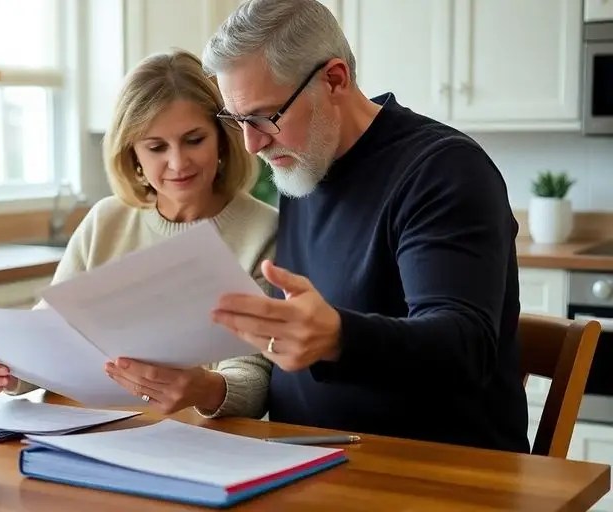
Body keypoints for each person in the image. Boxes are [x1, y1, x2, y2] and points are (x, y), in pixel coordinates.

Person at [202, 0, 529, 452]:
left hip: (434, 474)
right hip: (302, 464)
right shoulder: (304, 162)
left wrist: (338, 337)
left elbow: (463, 347)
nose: (252, 143)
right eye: (238, 120)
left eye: (265, 117)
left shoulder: (443, 171)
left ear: (335, 79)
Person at [0, 49, 278, 418]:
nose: (177, 162)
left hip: (209, 441)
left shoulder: (262, 232)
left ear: (222, 138)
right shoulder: (106, 221)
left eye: (194, 140)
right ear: (133, 155)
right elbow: (48, 340)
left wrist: (205, 389)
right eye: (156, 147)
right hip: (99, 429)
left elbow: (259, 376)